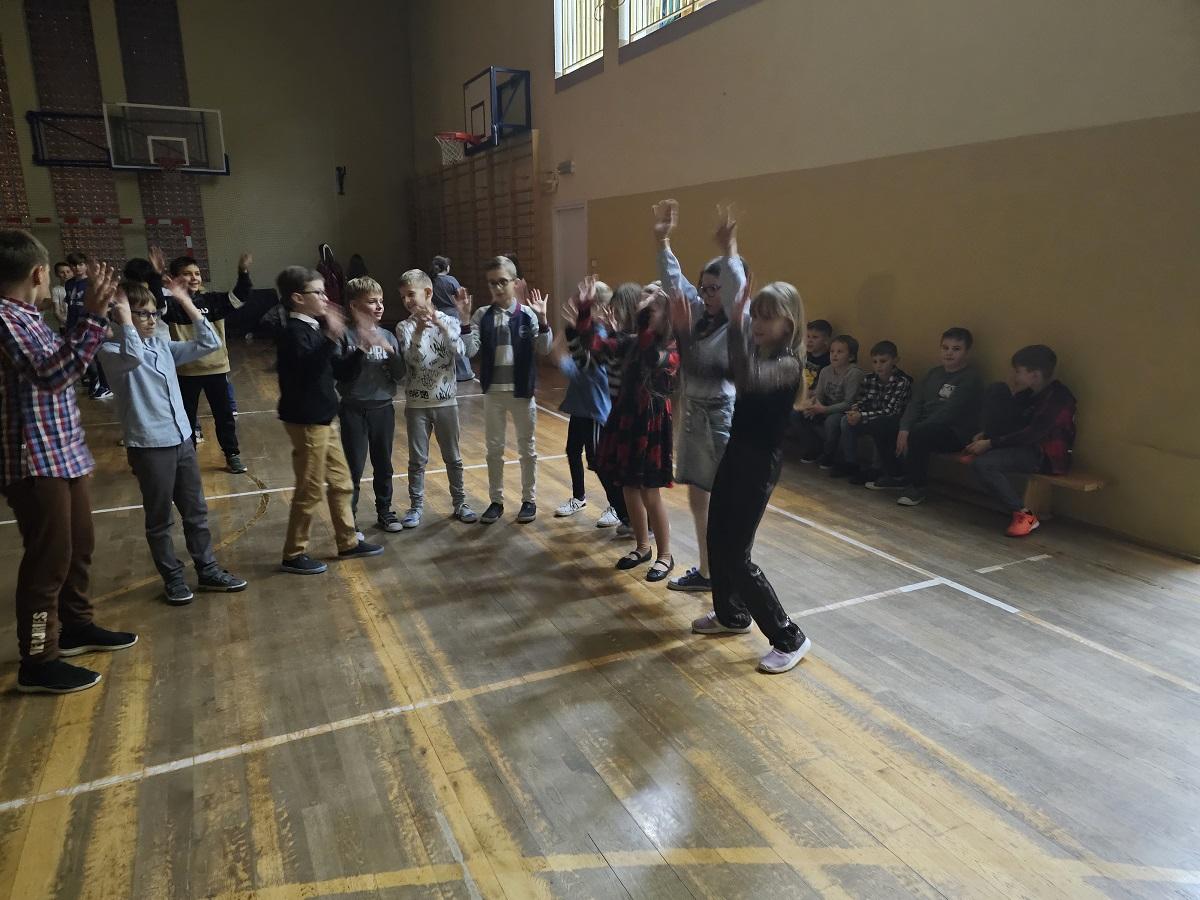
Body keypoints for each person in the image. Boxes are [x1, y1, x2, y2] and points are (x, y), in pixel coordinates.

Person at [0, 229, 137, 694]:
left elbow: (61, 364)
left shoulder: (29, 316)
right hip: (33, 460)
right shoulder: (5, 319)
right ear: (38, 273)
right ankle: (39, 660)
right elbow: (54, 375)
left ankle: (76, 627)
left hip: (61, 453)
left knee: (79, 546)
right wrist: (93, 317)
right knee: (49, 560)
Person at [688, 269, 813, 675]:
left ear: (788, 324)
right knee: (717, 537)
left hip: (759, 465)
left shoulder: (788, 365)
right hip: (736, 454)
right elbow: (718, 368)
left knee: (736, 554)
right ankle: (732, 615)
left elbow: (749, 378)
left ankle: (789, 637)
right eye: (754, 315)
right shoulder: (758, 355)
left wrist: (737, 324)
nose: (757, 323)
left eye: (766, 317)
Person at [99, 279, 248, 604]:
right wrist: (125, 321)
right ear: (121, 315)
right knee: (160, 520)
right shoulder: (111, 352)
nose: (152, 320)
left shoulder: (161, 346)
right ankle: (174, 578)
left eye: (154, 313)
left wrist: (186, 302)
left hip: (181, 440)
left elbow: (210, 343)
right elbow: (133, 357)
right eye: (142, 314)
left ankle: (208, 570)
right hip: (149, 447)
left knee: (196, 512)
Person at [656, 199, 746, 593]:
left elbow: (737, 289)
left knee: (726, 497)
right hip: (693, 411)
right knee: (697, 493)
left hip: (720, 414)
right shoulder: (697, 316)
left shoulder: (736, 322)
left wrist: (729, 251)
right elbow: (674, 283)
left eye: (715, 289)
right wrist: (663, 242)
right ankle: (708, 571)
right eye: (704, 288)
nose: (708, 295)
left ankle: (731, 573)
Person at [275, 266, 385, 574]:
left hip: (325, 417)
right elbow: (307, 370)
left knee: (341, 482)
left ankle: (347, 541)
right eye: (319, 292)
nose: (326, 298)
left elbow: (338, 371)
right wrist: (330, 336)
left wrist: (361, 347)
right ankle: (293, 553)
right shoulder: (293, 332)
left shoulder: (313, 329)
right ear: (297, 298)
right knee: (310, 489)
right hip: (307, 420)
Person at [576, 280, 679, 581]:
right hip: (627, 416)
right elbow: (594, 347)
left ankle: (665, 555)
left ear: (666, 314)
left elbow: (652, 357)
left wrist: (642, 322)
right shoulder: (631, 340)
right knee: (628, 487)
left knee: (650, 491)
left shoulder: (672, 347)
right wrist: (584, 311)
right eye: (642, 302)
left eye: (652, 305)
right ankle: (642, 546)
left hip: (651, 421)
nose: (644, 306)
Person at [461, 256, 552, 525]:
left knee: (527, 448)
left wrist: (543, 320)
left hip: (522, 392)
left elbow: (545, 348)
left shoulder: (527, 314)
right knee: (494, 448)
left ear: (515, 283)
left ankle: (528, 499)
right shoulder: (482, 315)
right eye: (492, 283)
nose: (498, 287)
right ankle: (496, 501)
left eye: (502, 281)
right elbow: (469, 350)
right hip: (494, 393)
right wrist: (464, 321)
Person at [394, 269, 478, 526]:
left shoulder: (449, 321)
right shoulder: (404, 327)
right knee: (417, 460)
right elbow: (412, 359)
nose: (407, 301)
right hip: (417, 404)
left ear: (428, 292)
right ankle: (416, 507)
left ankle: (460, 503)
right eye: (403, 297)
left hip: (446, 403)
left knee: (453, 457)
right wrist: (420, 331)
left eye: (411, 294)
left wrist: (443, 325)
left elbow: (463, 351)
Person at [964, 345, 1076, 537]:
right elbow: (1011, 422)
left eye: (1018, 372)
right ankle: (982, 447)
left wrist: (991, 444)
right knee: (998, 390)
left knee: (984, 465)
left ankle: (1024, 515)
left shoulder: (1059, 398)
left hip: (1044, 456)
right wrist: (986, 435)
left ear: (1035, 375)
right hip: (1022, 447)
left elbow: (1032, 434)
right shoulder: (1029, 393)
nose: (1014, 376)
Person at [868, 327, 983, 506]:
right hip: (922, 425)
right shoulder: (933, 373)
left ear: (966, 352)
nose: (949, 353)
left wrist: (913, 430)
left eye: (956, 349)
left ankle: (917, 486)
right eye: (945, 348)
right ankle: (896, 475)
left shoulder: (971, 378)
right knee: (880, 424)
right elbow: (916, 403)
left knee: (920, 433)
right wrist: (905, 428)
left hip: (952, 432)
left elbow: (949, 412)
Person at [163, 254, 254, 474]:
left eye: (197, 273)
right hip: (186, 371)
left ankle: (232, 454)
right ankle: (188, 457)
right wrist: (158, 277)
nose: (194, 277)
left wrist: (243, 272)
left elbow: (240, 296)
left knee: (224, 416)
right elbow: (155, 304)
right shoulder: (171, 305)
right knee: (186, 418)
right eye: (187, 274)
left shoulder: (213, 300)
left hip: (216, 368)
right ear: (175, 278)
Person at [566, 283, 640, 534]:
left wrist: (591, 324)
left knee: (628, 474)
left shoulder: (636, 341)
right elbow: (587, 359)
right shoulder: (613, 340)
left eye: (615, 310)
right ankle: (629, 518)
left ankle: (634, 520)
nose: (610, 314)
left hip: (632, 418)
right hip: (616, 415)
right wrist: (579, 322)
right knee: (608, 466)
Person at [336, 276, 406, 533]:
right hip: (353, 410)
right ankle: (349, 520)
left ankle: (385, 510)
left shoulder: (387, 335)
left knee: (383, 464)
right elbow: (342, 375)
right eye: (372, 301)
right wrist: (361, 350)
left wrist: (391, 353)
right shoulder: (344, 336)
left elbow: (400, 375)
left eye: (381, 301)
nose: (379, 306)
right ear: (354, 306)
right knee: (353, 468)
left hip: (382, 408)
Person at [551, 280, 613, 521]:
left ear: (599, 307)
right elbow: (561, 356)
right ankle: (579, 497)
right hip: (580, 406)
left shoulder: (600, 335)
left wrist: (562, 357)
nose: (578, 304)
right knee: (573, 450)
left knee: (598, 460)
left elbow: (584, 371)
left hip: (596, 409)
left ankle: (616, 506)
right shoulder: (582, 332)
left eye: (584, 301)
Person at [835, 340, 912, 482]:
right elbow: (864, 401)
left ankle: (876, 468)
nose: (878, 366)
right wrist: (856, 408)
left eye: (883, 361)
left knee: (879, 425)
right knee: (846, 421)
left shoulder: (902, 382)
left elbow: (890, 411)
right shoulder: (869, 379)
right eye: (875, 362)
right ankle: (850, 462)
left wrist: (862, 415)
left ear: (895, 360)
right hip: (870, 416)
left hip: (891, 422)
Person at [795, 334, 864, 466]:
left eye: (840, 352)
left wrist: (824, 410)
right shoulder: (826, 371)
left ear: (851, 357)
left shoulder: (854, 374)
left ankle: (829, 454)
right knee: (797, 413)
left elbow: (849, 403)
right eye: (832, 351)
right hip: (825, 407)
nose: (834, 355)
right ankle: (814, 448)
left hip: (845, 411)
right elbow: (819, 395)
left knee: (832, 421)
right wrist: (812, 405)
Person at [431, 255, 474, 382]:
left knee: (443, 345)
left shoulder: (431, 281)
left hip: (438, 315)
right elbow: (460, 295)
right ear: (447, 267)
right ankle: (465, 372)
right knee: (458, 343)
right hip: (453, 314)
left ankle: (448, 372)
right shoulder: (451, 280)